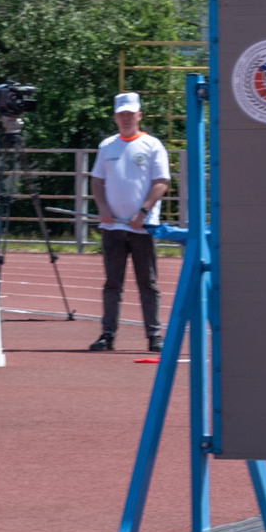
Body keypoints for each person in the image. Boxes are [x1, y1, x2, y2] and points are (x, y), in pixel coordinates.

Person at [87, 91, 171, 355]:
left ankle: (154, 336)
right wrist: (103, 207)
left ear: (139, 116)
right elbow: (97, 181)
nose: (125, 118)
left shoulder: (153, 145)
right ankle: (107, 334)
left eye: (130, 114)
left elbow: (162, 182)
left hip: (141, 228)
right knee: (112, 283)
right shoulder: (107, 146)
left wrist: (143, 212)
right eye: (121, 114)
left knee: (148, 283)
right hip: (113, 227)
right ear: (115, 117)